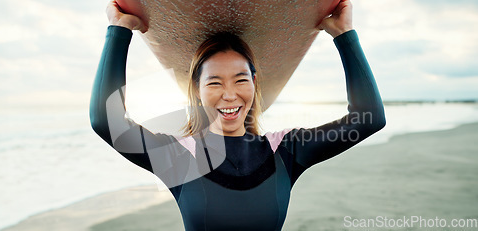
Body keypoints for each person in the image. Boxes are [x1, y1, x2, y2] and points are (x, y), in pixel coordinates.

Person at [90, 0, 386, 230]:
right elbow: (106, 121)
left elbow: (369, 118)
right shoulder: (179, 157)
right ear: (197, 90)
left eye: (240, 80)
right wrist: (118, 31)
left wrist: (344, 35)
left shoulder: (286, 150)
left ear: (255, 84)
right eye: (215, 82)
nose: (229, 94)